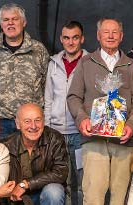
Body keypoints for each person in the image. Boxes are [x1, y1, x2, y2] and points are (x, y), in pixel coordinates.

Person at [67, 17, 133, 205]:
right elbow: (73, 97)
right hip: (94, 138)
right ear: (98, 35)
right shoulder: (86, 63)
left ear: (121, 36)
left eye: (115, 32)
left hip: (124, 140)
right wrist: (82, 119)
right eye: (106, 32)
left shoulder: (131, 65)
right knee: (93, 194)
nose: (110, 36)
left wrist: (132, 125)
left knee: (120, 196)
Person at [0, 3, 50, 139]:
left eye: (15, 19)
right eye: (6, 20)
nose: (10, 23)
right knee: (0, 160)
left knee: (29, 160)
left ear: (24, 22)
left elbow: (46, 84)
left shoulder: (38, 49)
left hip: (30, 123)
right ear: (1, 24)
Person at [43, 19, 87, 204]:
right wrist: (47, 129)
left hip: (80, 133)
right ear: (61, 39)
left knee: (83, 182)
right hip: (57, 133)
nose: (71, 42)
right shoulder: (53, 63)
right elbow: (48, 99)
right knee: (62, 181)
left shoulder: (90, 62)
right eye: (67, 38)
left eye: (75, 38)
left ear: (82, 39)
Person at [1, 103, 68, 205]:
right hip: (17, 198)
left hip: (44, 194)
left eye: (37, 120)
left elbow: (60, 172)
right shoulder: (6, 145)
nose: (33, 126)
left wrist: (26, 184)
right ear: (18, 124)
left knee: (54, 191)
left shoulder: (55, 138)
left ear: (43, 121)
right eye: (27, 121)